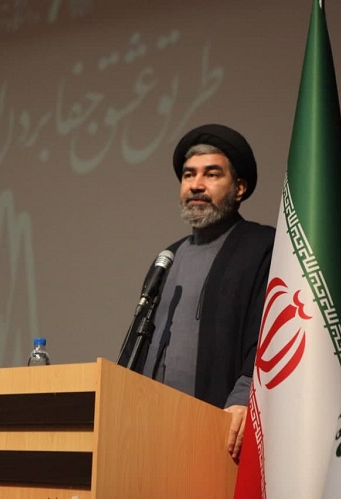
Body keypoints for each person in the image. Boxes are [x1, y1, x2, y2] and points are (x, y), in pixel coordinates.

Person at [119, 123, 275, 461]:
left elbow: (267, 335)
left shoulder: (262, 246)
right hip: (151, 432)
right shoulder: (168, 257)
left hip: (221, 431)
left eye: (211, 174)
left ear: (239, 188)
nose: (196, 185)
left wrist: (244, 398)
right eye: (189, 175)